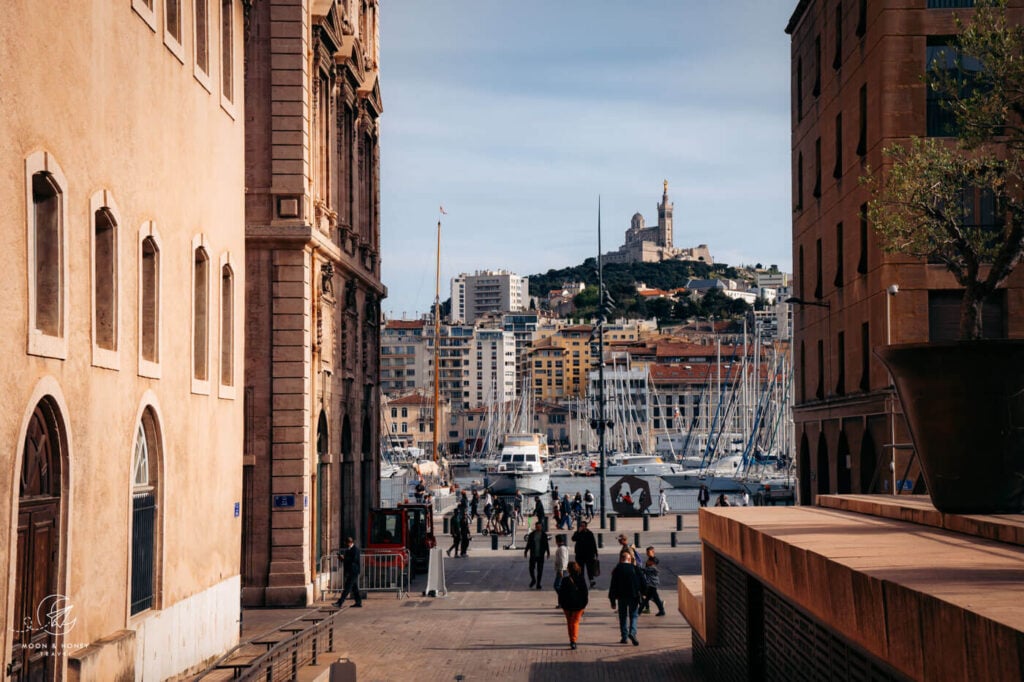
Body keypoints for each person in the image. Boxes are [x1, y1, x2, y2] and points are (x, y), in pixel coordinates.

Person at [608, 549, 642, 645]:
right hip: (633, 596)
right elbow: (643, 582)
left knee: (623, 617)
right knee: (634, 616)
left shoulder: (617, 569)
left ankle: (624, 637)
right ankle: (632, 633)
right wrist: (644, 593)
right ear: (629, 559)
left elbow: (613, 586)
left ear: (621, 559)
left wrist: (612, 601)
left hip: (621, 597)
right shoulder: (635, 568)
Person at [557, 561, 589, 650]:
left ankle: (571, 639)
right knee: (575, 622)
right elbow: (585, 593)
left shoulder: (565, 580)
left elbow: (561, 593)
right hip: (579, 605)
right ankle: (573, 640)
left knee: (569, 622)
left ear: (569, 570)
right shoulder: (581, 579)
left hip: (567, 605)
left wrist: (561, 603)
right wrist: (584, 604)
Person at [333, 537, 363, 608]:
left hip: (354, 571)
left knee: (347, 587)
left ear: (350, 542)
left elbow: (353, 560)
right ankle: (358, 602)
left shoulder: (355, 550)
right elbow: (347, 561)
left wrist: (344, 558)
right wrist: (341, 558)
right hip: (350, 571)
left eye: (347, 543)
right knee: (354, 588)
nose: (346, 544)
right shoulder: (348, 550)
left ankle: (340, 602)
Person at [640, 547, 666, 616]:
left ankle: (639, 611)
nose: (647, 553)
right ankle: (661, 610)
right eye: (647, 552)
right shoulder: (649, 559)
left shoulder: (654, 560)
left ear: (653, 552)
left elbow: (649, 567)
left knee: (646, 597)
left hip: (652, 582)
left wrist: (640, 569)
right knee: (653, 597)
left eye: (649, 552)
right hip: (650, 582)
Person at [572, 521, 599, 587]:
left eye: (583, 526)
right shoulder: (578, 533)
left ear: (586, 526)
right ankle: (581, 582)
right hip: (580, 555)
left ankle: (591, 581)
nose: (582, 527)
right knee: (580, 570)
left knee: (590, 569)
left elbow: (593, 543)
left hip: (589, 555)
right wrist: (578, 532)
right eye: (581, 526)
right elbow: (573, 539)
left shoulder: (590, 533)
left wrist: (596, 552)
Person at [524, 521, 550, 589]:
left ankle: (538, 583)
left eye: (540, 527)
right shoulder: (532, 534)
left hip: (540, 555)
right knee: (531, 568)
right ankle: (533, 579)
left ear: (541, 527)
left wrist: (548, 552)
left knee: (540, 570)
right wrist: (526, 551)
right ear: (535, 527)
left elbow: (546, 544)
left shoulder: (544, 535)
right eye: (537, 527)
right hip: (533, 554)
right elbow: (528, 544)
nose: (538, 528)